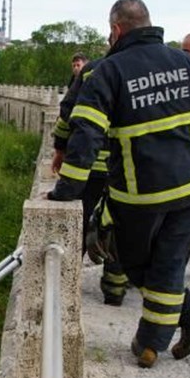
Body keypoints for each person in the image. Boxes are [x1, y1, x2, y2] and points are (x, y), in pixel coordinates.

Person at [49, 0, 190, 368]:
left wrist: (65, 194)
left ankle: (172, 330)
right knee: (170, 262)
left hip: (139, 195)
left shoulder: (109, 72)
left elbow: (86, 138)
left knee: (133, 261)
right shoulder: (187, 64)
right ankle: (164, 334)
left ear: (115, 30)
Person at [52, 54, 129, 305]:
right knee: (117, 227)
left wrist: (60, 148)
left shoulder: (92, 71)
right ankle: (114, 290)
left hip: (91, 165)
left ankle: (63, 286)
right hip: (124, 167)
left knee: (80, 225)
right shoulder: (139, 70)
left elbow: (67, 114)